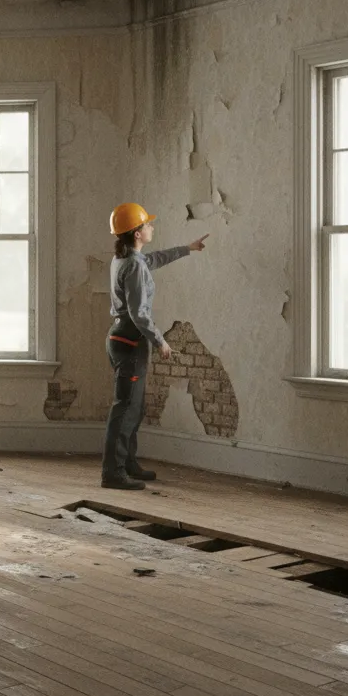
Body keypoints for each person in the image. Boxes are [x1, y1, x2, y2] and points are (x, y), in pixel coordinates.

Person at [102, 203, 208, 490]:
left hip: (123, 339)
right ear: (137, 233)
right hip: (129, 341)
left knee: (134, 407)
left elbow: (156, 259)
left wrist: (189, 248)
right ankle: (113, 473)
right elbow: (139, 314)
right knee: (125, 408)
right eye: (147, 225)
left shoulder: (126, 259)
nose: (152, 227)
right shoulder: (133, 265)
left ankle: (127, 463)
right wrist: (160, 341)